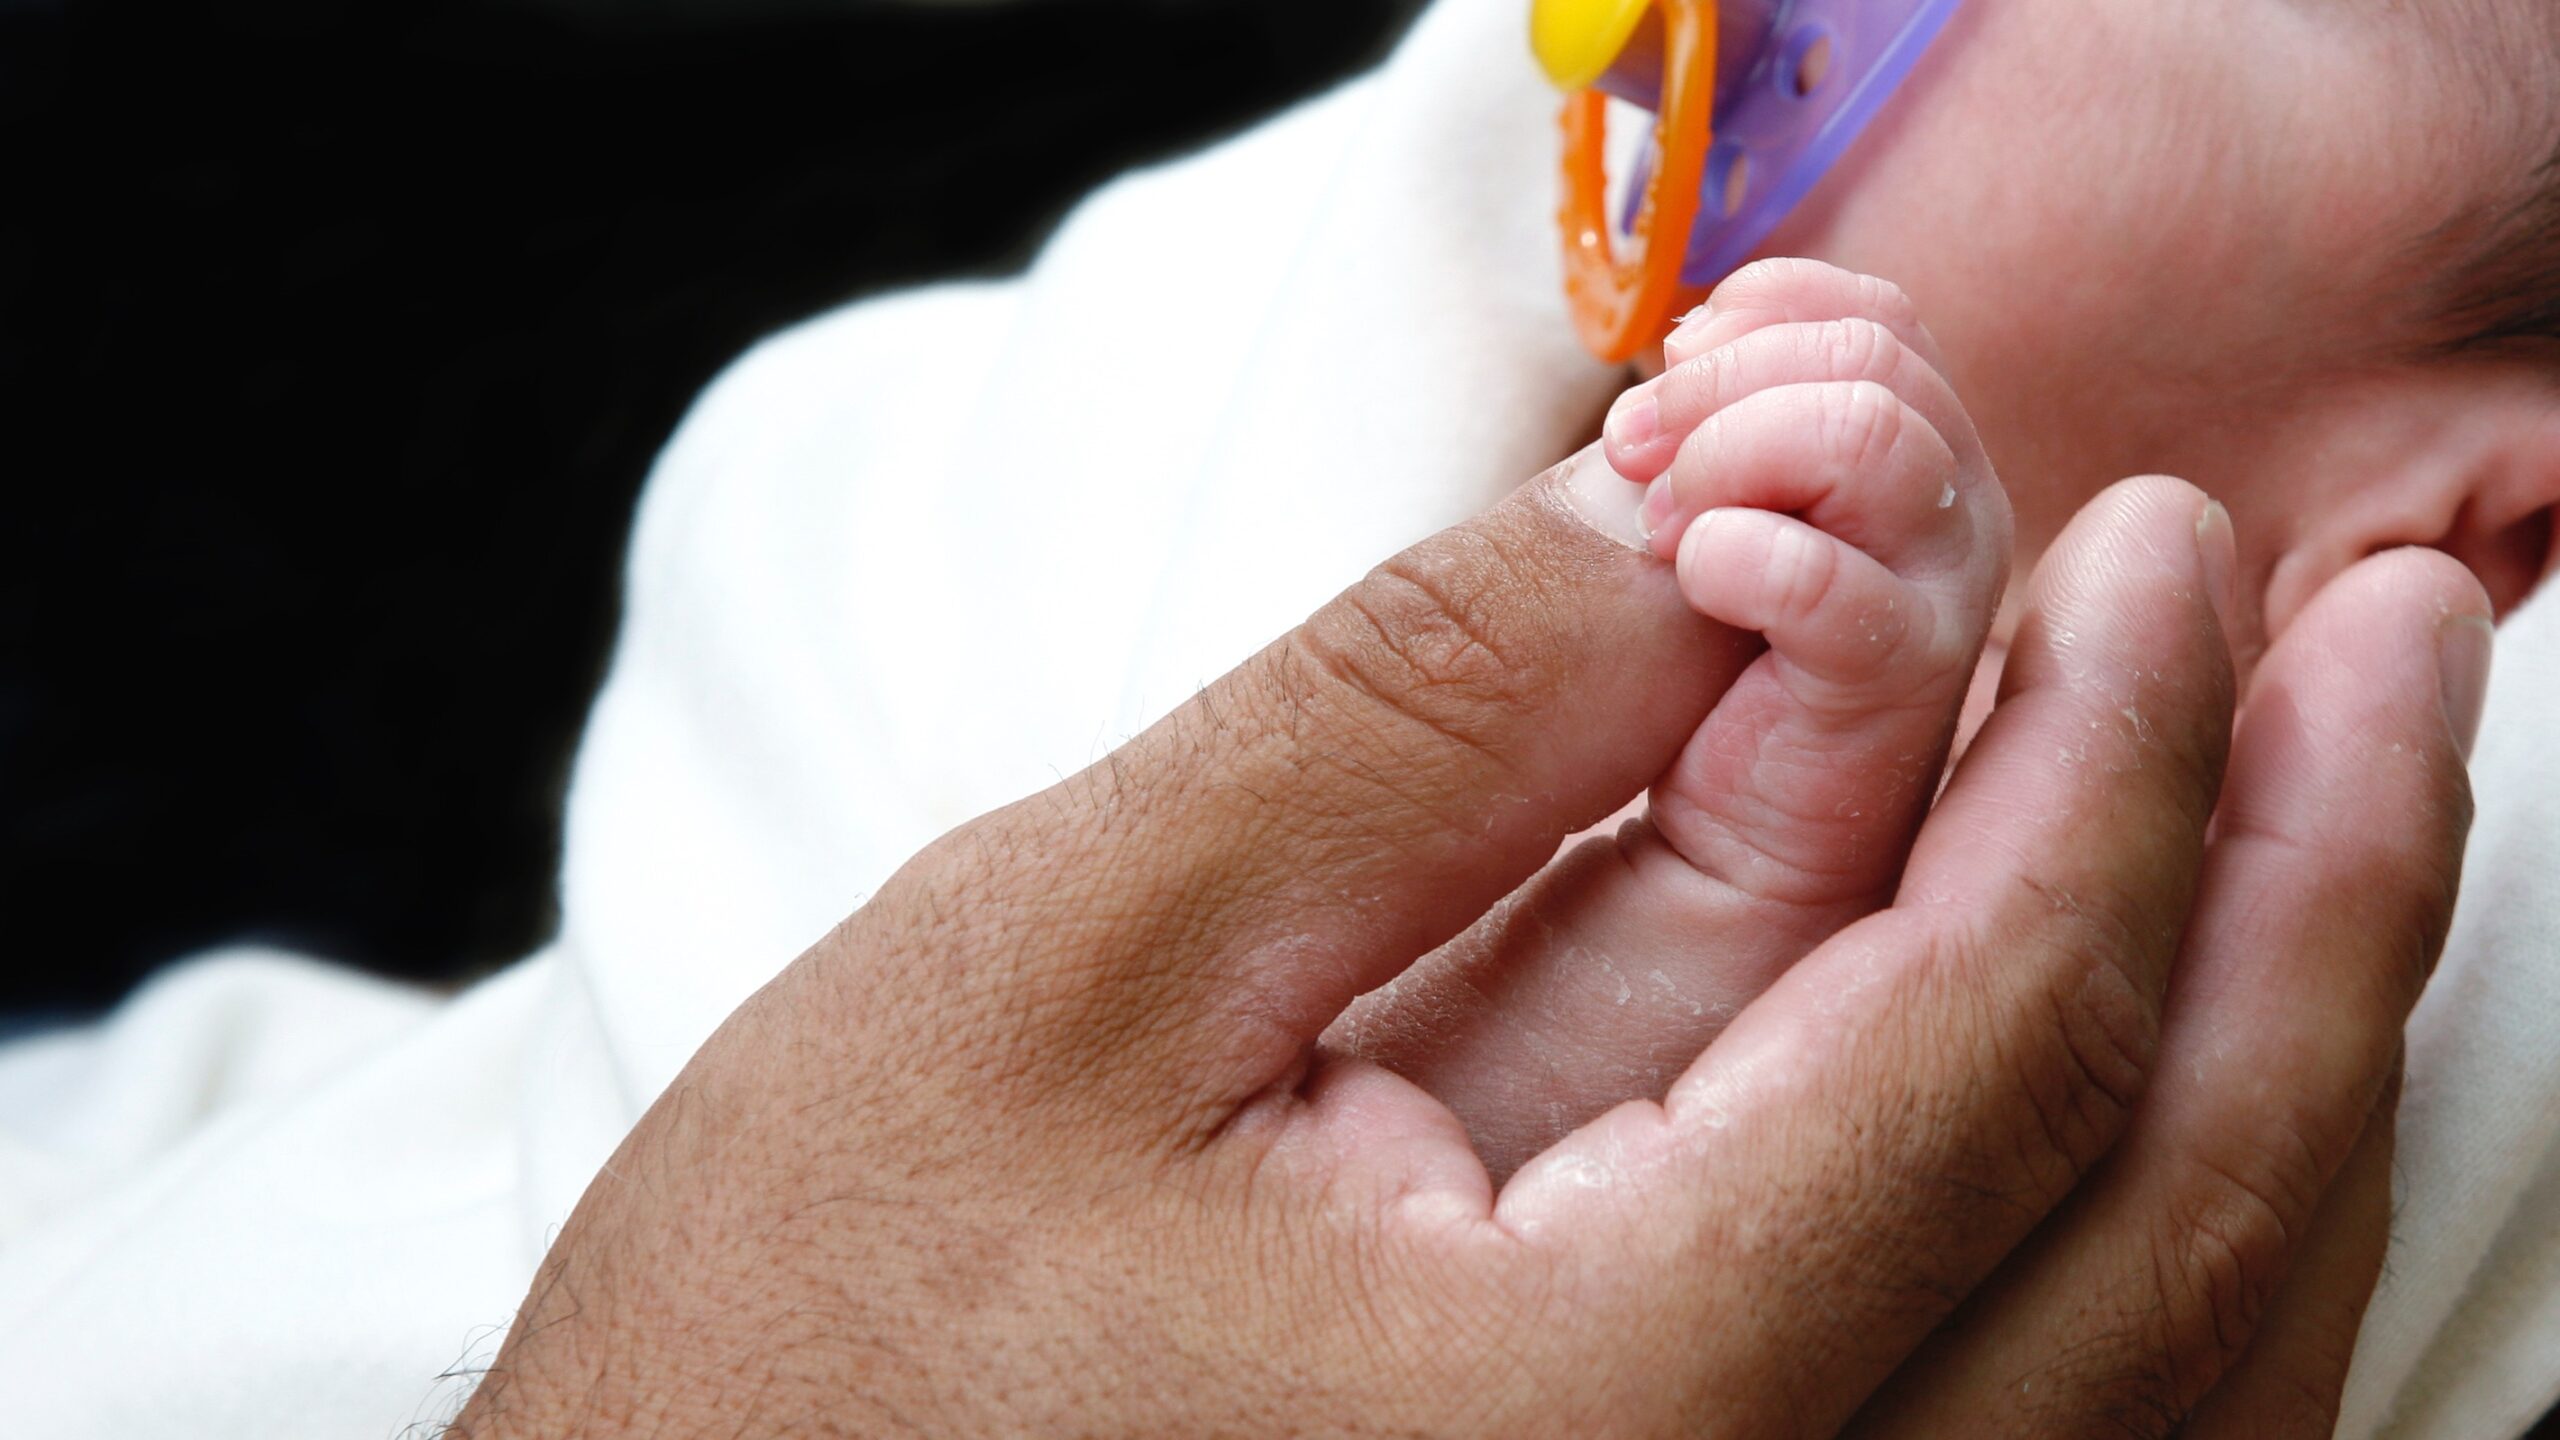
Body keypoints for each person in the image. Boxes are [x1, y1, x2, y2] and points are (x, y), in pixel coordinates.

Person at [2, 0, 2552, 1434]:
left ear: (2474, 528)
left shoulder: (2357, 858)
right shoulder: (1302, 333)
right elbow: (854, 539)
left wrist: (1760, 862)